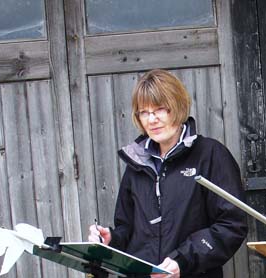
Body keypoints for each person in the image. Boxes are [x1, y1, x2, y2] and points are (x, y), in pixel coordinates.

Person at [88, 69, 248, 278]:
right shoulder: (137, 162)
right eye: (144, 112)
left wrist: (183, 261)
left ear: (178, 107)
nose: (152, 119)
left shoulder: (210, 155)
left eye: (160, 109)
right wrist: (112, 239)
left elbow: (231, 225)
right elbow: (127, 228)